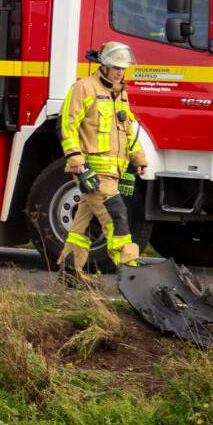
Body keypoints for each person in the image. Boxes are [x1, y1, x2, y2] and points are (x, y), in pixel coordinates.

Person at [57, 40, 150, 276]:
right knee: (116, 219)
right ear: (104, 66)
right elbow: (66, 126)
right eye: (116, 67)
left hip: (114, 173)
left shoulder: (120, 94)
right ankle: (132, 274)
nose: (120, 72)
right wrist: (77, 162)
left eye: (124, 68)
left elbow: (127, 132)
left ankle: (70, 272)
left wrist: (139, 159)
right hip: (93, 173)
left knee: (84, 225)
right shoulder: (84, 88)